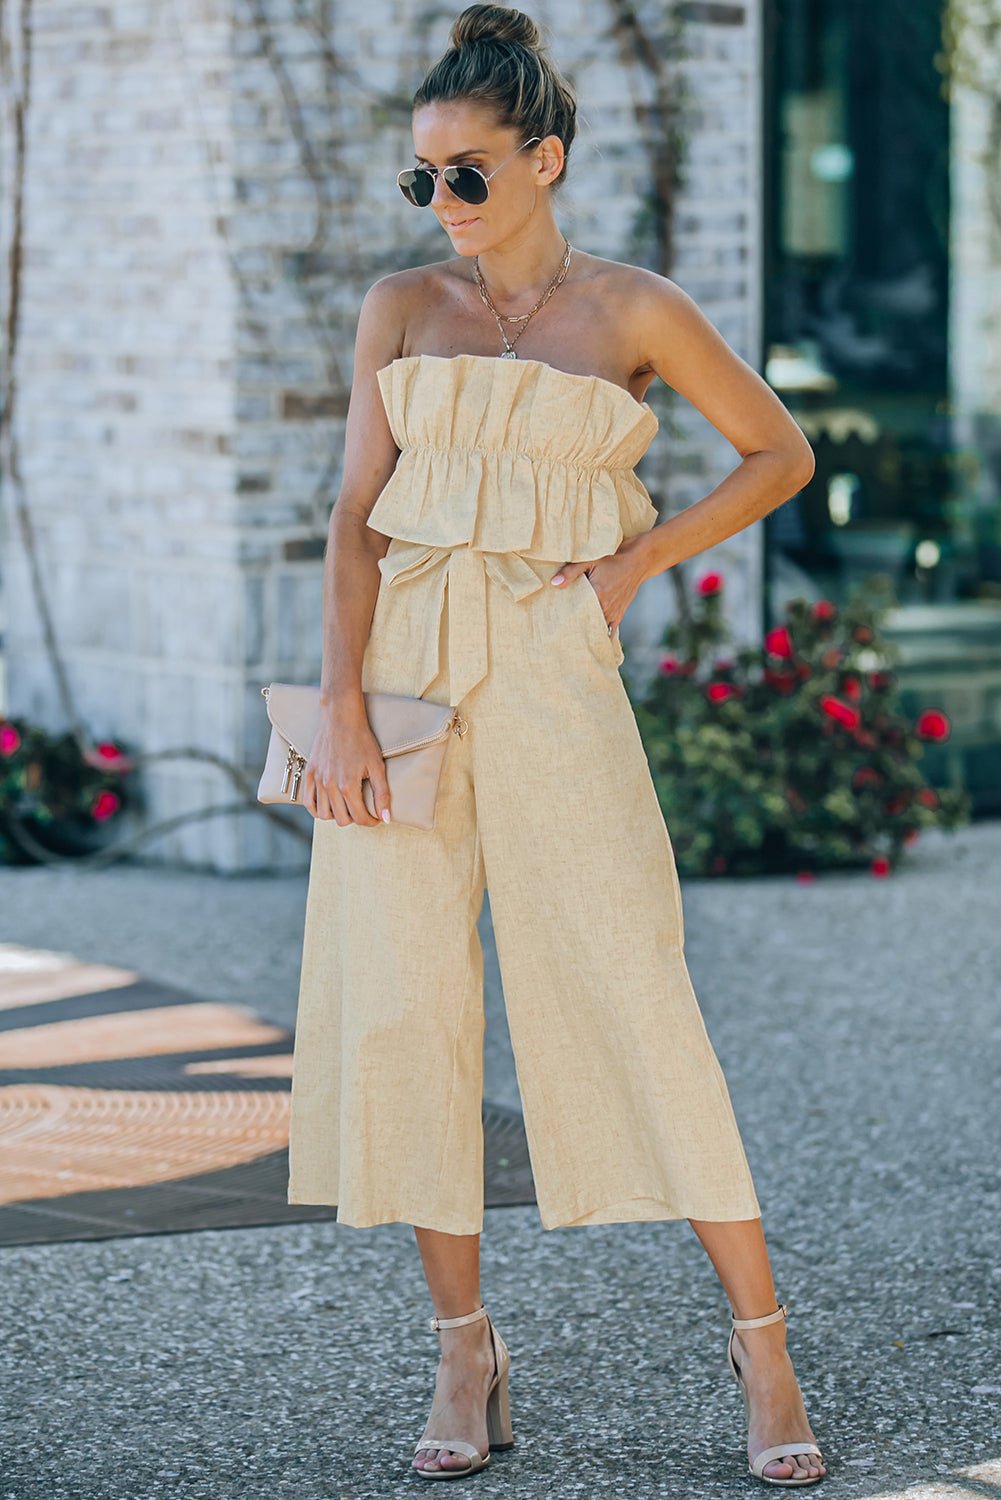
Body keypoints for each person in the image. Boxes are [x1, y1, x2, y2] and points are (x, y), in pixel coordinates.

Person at [288, 2, 827, 1487]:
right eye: (422, 179)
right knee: (405, 1012)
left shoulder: (632, 310)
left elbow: (776, 451)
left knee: (629, 977)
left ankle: (761, 1347)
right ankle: (465, 1349)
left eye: (467, 173)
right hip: (396, 678)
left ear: (547, 158)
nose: (441, 205)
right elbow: (351, 517)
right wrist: (339, 699)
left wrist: (629, 570)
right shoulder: (399, 308)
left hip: (547, 666)